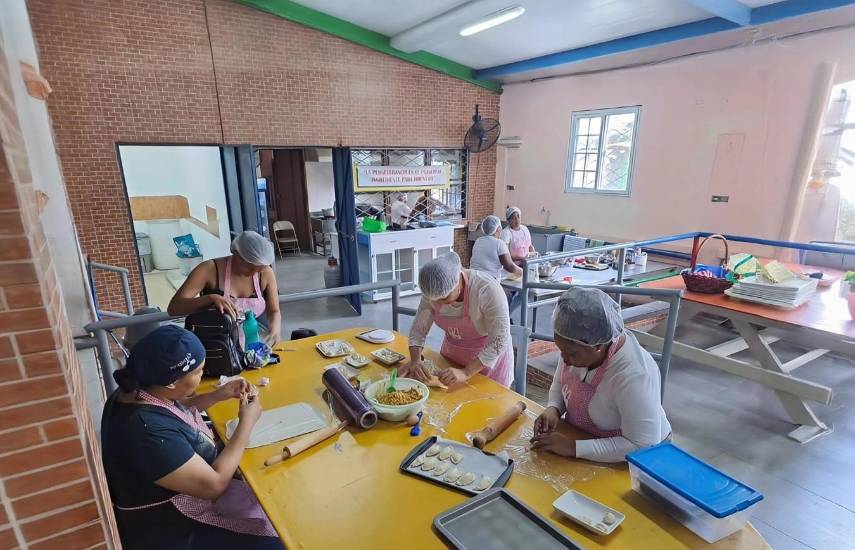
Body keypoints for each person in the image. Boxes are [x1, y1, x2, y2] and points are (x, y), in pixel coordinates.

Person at [101, 325, 284, 549]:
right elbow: (214, 485)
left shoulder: (139, 388)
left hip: (178, 499)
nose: (203, 375)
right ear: (171, 382)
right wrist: (246, 422)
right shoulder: (145, 431)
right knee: (277, 542)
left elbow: (175, 410)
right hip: (169, 529)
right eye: (198, 372)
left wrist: (219, 394)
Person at [531, 288, 671, 463]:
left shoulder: (633, 374)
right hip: (585, 439)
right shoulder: (574, 346)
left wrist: (573, 447)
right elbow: (561, 383)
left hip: (632, 458)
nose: (564, 360)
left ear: (598, 346)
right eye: (561, 351)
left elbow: (642, 444)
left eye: (572, 354)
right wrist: (554, 408)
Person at [402, 252, 514, 388]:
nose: (438, 303)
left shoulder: (486, 289)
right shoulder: (433, 291)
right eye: (434, 300)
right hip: (452, 359)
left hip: (487, 363)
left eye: (444, 298)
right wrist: (415, 360)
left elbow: (499, 340)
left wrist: (466, 372)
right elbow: (419, 329)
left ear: (458, 282)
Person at [168, 231, 281, 347]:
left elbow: (274, 311)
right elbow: (174, 308)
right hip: (214, 346)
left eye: (259, 269)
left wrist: (274, 330)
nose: (254, 274)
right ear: (236, 254)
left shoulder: (266, 273)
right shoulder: (208, 270)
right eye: (250, 268)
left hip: (250, 344)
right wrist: (210, 299)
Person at [470, 215, 523, 281]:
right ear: (498, 229)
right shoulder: (499, 243)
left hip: (474, 278)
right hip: (489, 281)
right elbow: (509, 267)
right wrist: (522, 272)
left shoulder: (478, 241)